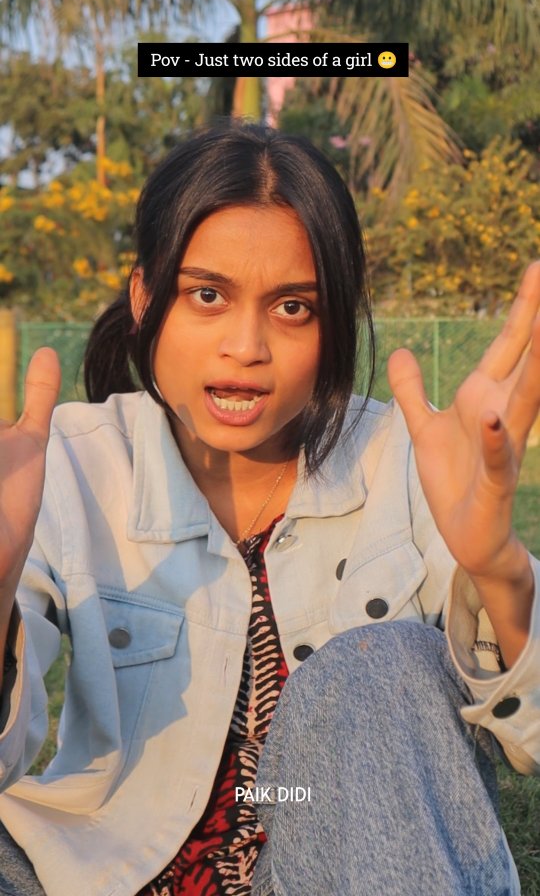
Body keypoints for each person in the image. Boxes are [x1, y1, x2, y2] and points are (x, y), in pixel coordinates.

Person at [0, 121, 538, 896]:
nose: (246, 346)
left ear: (333, 323)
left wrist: (500, 571)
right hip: (98, 871)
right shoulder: (68, 465)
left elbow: (531, 743)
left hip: (345, 870)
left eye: (292, 308)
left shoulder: (410, 460)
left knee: (380, 661)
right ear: (146, 297)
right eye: (207, 295)